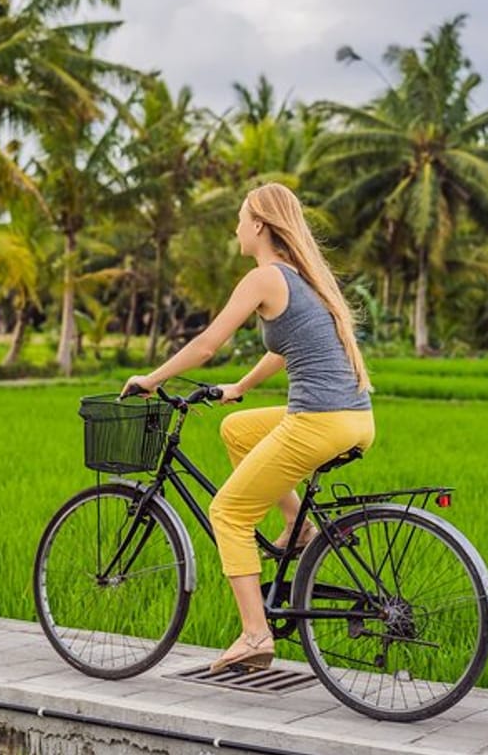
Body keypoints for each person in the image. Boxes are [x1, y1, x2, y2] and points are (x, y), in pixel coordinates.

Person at [120, 182, 374, 672]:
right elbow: (284, 347)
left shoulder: (263, 279)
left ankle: (256, 635)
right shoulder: (306, 278)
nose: (236, 228)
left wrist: (151, 379)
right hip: (355, 418)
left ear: (258, 224)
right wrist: (239, 386)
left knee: (229, 514)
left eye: (240, 219)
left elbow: (206, 344)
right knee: (237, 429)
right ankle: (296, 530)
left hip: (318, 420)